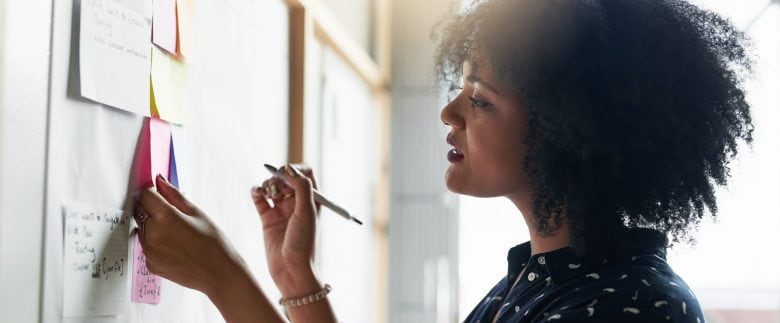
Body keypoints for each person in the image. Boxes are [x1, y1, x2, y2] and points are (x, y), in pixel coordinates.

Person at [134, 0, 753, 322]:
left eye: (480, 99)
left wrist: (223, 277)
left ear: (568, 132)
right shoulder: (540, 281)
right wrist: (296, 279)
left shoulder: (630, 308)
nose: (449, 112)